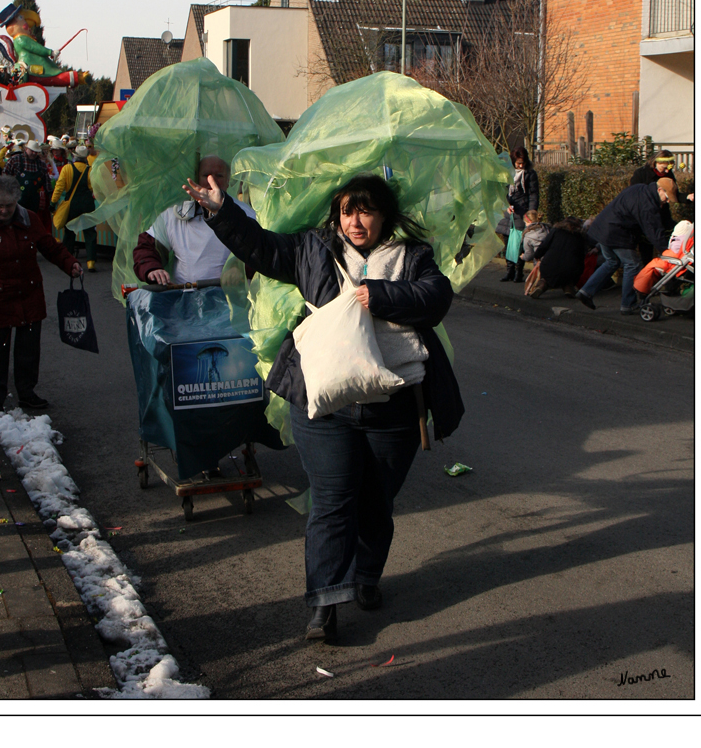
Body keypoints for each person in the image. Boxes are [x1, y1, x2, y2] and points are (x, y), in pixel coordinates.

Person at [184, 171, 463, 642]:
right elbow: (261, 247)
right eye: (348, 211)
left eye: (367, 210)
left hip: (392, 407)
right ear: (337, 215)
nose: (357, 222)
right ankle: (325, 602)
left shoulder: (413, 257)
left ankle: (366, 576)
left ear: (384, 215)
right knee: (332, 503)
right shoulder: (312, 248)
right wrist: (221, 211)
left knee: (376, 503)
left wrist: (380, 295)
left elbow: (436, 298)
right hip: (325, 405)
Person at [0, 175, 82, 416]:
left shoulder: (29, 220)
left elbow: (50, 247)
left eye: (9, 206)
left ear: (17, 202)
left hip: (28, 296)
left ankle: (27, 393)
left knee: (28, 351)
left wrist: (70, 264)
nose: (3, 211)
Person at [133, 156, 256, 286]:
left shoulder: (245, 214)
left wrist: (244, 270)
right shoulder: (175, 214)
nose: (212, 181)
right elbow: (147, 247)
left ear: (228, 180)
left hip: (230, 299)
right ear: (196, 178)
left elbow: (261, 254)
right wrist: (152, 269)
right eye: (206, 175)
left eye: (219, 176)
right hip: (182, 297)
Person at [576, 177, 678, 315]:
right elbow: (653, 231)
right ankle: (628, 305)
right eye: (667, 197)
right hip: (616, 233)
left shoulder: (640, 188)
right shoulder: (648, 205)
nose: (667, 201)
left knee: (612, 262)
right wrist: (666, 252)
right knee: (633, 265)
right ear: (659, 190)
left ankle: (586, 291)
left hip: (602, 228)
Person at [495, 147, 539, 283]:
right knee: (508, 242)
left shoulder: (530, 174)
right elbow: (501, 191)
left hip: (523, 212)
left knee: (520, 243)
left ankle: (519, 272)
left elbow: (533, 195)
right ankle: (509, 271)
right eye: (518, 163)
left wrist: (531, 214)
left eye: (523, 163)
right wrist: (505, 204)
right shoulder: (507, 172)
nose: (521, 165)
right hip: (509, 212)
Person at [52, 145, 99, 272]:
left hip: (72, 204)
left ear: (75, 156)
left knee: (69, 231)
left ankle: (68, 258)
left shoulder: (67, 168)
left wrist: (53, 202)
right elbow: (94, 187)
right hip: (87, 203)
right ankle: (91, 261)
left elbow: (59, 187)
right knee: (89, 232)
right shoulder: (90, 170)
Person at [528, 217, 587, 299]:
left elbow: (545, 245)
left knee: (547, 277)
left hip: (549, 265)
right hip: (570, 268)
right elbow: (582, 254)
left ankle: (542, 285)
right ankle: (568, 287)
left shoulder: (556, 231)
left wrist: (537, 255)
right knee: (568, 275)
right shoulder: (580, 236)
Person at [3, 140, 53, 231]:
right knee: (16, 223)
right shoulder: (15, 160)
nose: (34, 153)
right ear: (26, 149)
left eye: (36, 151)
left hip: (33, 201)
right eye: (32, 150)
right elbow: (5, 177)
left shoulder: (41, 165)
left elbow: (47, 183)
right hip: (17, 199)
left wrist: (51, 198)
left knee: (31, 224)